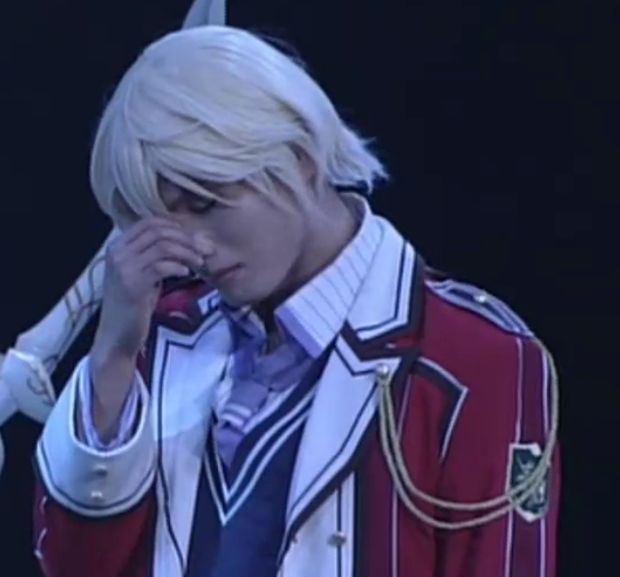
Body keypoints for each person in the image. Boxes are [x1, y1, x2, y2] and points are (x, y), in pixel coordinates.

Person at [32, 25, 560, 577]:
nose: (195, 249)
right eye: (164, 220)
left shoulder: (476, 358)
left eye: (206, 202)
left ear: (300, 156)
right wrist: (112, 357)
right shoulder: (156, 334)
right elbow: (73, 567)